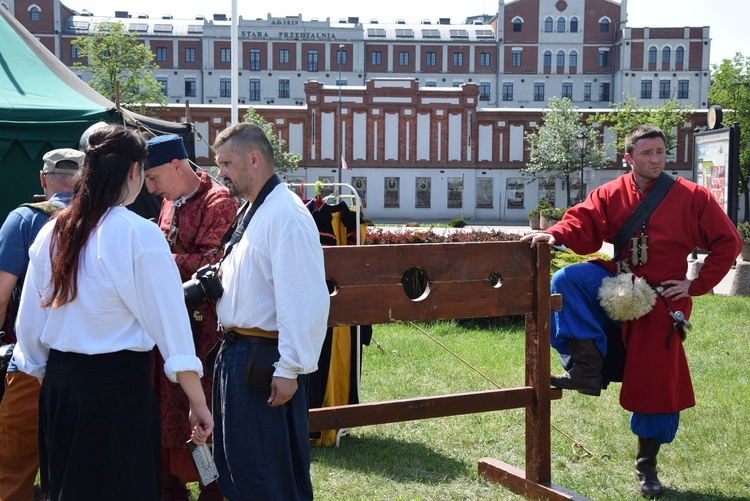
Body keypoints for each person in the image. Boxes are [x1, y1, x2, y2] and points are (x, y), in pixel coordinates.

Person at [521, 124, 741, 498]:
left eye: (660, 152)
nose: (655, 159)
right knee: (568, 279)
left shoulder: (692, 196)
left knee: (656, 386)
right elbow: (583, 220)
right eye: (647, 153)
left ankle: (646, 467)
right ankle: (586, 369)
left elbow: (728, 242)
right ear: (629, 158)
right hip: (618, 281)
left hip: (663, 297)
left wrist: (694, 284)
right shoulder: (611, 192)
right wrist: (555, 234)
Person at [12, 125, 214, 500]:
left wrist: (52, 379)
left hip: (62, 386)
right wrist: (197, 403)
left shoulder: (52, 230)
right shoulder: (138, 233)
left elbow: (30, 329)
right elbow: (171, 328)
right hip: (116, 392)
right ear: (134, 172)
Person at [212, 123, 329, 499]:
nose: (220, 173)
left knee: (268, 478)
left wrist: (289, 367)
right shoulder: (256, 208)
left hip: (264, 364)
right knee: (242, 472)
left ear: (254, 159)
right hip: (240, 356)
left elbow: (303, 298)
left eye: (226, 163)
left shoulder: (286, 215)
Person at [143, 134, 237, 500]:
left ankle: (213, 491)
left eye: (153, 177)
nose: (150, 187)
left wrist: (156, 259)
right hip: (168, 333)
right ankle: (170, 490)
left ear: (177, 166)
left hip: (203, 339)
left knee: (201, 424)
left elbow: (214, 264)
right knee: (165, 426)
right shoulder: (168, 202)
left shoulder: (219, 201)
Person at [0, 148, 83, 500]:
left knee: (12, 466)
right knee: (82, 465)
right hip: (89, 363)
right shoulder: (109, 218)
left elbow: (2, 290)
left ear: (43, 180)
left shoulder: (23, 219)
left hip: (31, 361)